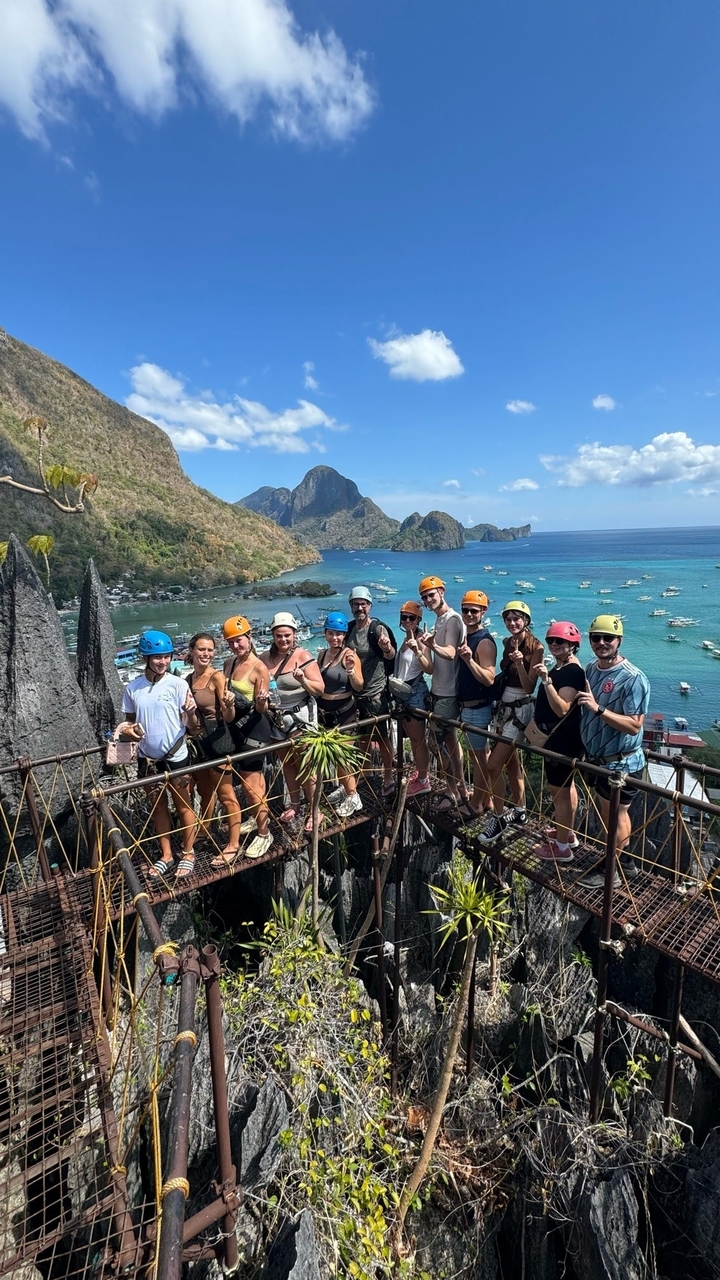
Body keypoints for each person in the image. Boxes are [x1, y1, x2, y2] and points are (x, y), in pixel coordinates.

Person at [116, 629, 198, 880]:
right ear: (146, 658)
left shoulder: (178, 684)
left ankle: (188, 852)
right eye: (157, 657)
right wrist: (127, 730)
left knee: (184, 805)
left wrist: (192, 712)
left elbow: (192, 726)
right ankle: (166, 855)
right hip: (147, 758)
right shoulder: (133, 688)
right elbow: (129, 721)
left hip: (176, 754)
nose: (162, 662)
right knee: (158, 807)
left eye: (166, 656)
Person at [577, 615, 650, 887]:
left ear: (619, 641)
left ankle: (610, 872)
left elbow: (634, 725)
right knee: (615, 815)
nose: (602, 643)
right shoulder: (592, 669)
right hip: (601, 760)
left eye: (609, 638)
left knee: (615, 816)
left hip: (622, 763)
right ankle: (626, 863)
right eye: (596, 637)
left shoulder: (633, 679)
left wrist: (599, 709)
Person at [478, 601, 543, 844]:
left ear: (526, 620)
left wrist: (518, 663)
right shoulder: (506, 643)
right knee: (511, 764)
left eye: (517, 618)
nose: (512, 623)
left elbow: (529, 686)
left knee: (493, 766)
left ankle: (499, 818)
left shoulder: (537, 648)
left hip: (520, 709)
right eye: (508, 619)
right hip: (504, 708)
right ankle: (520, 809)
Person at [259, 613, 325, 832]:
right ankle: (295, 804)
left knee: (306, 766)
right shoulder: (264, 659)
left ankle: (315, 811)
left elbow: (320, 689)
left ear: (294, 635)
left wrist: (303, 680)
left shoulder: (303, 656)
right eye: (279, 635)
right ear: (273, 635)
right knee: (287, 764)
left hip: (299, 718)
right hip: (276, 719)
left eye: (287, 635)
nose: (283, 640)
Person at [529, 622, 586, 863]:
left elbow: (563, 708)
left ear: (573, 645)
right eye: (551, 641)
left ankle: (561, 848)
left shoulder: (572, 671)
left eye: (560, 642)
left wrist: (546, 681)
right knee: (567, 789)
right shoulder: (563, 666)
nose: (554, 645)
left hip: (560, 742)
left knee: (559, 794)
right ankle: (567, 834)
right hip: (562, 740)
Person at [219, 616, 274, 862]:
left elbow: (261, 708)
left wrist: (262, 702)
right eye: (231, 642)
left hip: (255, 728)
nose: (235, 647)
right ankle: (257, 816)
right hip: (237, 729)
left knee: (252, 786)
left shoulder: (259, 667)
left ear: (249, 638)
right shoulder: (229, 664)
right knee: (252, 782)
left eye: (239, 641)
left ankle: (265, 833)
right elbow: (227, 705)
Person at [185, 631, 242, 861]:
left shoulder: (216, 677)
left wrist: (228, 704)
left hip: (218, 740)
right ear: (191, 651)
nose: (206, 654)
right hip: (199, 742)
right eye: (201, 649)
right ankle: (206, 830)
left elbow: (228, 717)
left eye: (210, 650)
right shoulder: (188, 679)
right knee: (205, 791)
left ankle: (233, 844)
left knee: (226, 794)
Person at [415, 575, 468, 810]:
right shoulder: (438, 620)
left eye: (431, 595)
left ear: (442, 592)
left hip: (448, 692)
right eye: (425, 597)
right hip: (439, 689)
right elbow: (435, 663)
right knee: (450, 741)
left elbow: (451, 652)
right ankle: (461, 787)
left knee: (435, 744)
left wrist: (431, 645)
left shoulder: (453, 619)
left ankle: (451, 790)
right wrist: (422, 650)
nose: (428, 600)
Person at [345, 587, 397, 796]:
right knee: (363, 738)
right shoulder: (348, 630)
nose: (359, 608)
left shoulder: (377, 629)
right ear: (350, 606)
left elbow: (391, 655)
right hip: (355, 694)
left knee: (382, 739)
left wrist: (385, 647)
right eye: (356, 604)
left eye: (363, 604)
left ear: (370, 606)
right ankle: (365, 773)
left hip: (376, 693)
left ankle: (388, 777)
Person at [316, 610, 364, 818]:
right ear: (325, 634)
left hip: (345, 714)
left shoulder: (349, 655)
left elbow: (360, 686)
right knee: (335, 758)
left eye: (339, 634)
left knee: (343, 759)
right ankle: (346, 788)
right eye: (331, 633)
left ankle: (354, 796)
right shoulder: (321, 655)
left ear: (345, 635)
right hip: (325, 715)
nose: (335, 638)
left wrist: (351, 670)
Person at [455, 590, 497, 818]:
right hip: (469, 706)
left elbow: (490, 678)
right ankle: (486, 799)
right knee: (479, 756)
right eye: (466, 610)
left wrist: (469, 660)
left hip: (478, 707)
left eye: (474, 610)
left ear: (483, 612)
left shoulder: (484, 642)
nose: (469, 614)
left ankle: (477, 804)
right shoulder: (467, 637)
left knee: (480, 759)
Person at [393, 600, 432, 796]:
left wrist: (418, 650)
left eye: (411, 618)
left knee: (418, 740)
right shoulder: (406, 638)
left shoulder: (421, 639)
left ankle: (424, 780)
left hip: (415, 693)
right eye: (404, 617)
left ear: (418, 620)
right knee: (414, 738)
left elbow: (429, 668)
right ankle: (420, 772)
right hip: (404, 693)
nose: (407, 621)